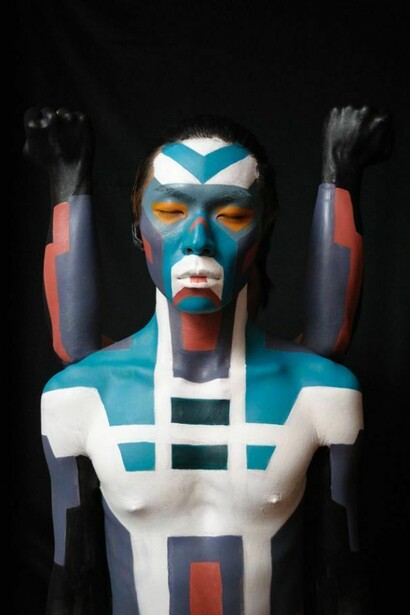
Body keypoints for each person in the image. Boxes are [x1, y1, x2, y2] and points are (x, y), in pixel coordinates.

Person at [23, 105, 392, 614]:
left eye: (232, 215)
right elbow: (71, 585)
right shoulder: (80, 398)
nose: (198, 240)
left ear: (261, 232)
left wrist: (342, 173)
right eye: (171, 212)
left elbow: (342, 584)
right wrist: (67, 179)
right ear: (138, 230)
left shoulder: (320, 394)